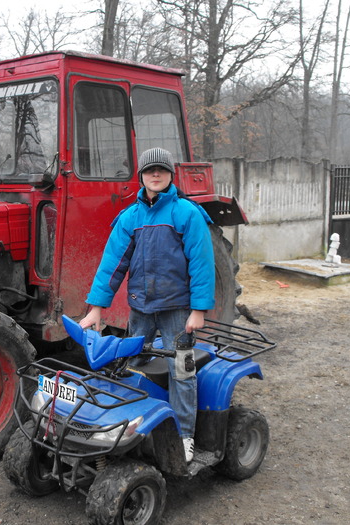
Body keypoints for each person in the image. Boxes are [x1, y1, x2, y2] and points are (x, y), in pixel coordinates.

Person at [79, 147, 215, 463]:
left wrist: (198, 310)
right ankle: (128, 428)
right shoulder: (130, 218)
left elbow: (201, 264)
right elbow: (112, 264)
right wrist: (96, 307)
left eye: (162, 170)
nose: (156, 174)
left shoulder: (187, 213)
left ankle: (184, 436)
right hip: (140, 311)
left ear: (171, 175)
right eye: (150, 170)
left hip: (178, 312)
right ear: (141, 176)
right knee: (130, 365)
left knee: (181, 371)